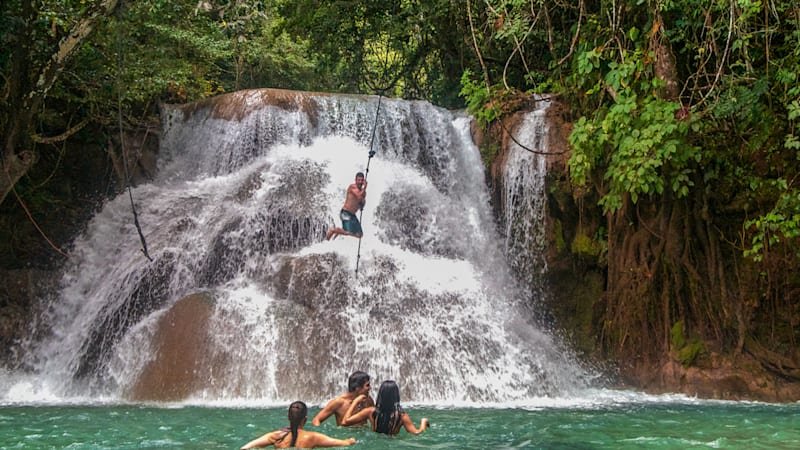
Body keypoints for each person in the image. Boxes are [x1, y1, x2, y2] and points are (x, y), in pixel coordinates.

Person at [240, 401, 356, 449]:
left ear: (288, 417)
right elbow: (343, 443)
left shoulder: (275, 436)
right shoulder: (312, 438)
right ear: (305, 420)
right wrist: (351, 440)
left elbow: (244, 448)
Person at [341, 380, 429, 435]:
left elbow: (345, 422)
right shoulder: (401, 416)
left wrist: (355, 402)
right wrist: (423, 423)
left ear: (380, 394)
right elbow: (416, 433)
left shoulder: (371, 412)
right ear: (396, 396)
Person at [325, 172, 367, 240]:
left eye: (362, 180)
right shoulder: (352, 187)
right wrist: (365, 187)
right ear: (355, 180)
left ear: (364, 181)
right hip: (345, 213)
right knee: (348, 231)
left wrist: (362, 205)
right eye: (358, 180)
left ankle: (339, 231)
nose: (360, 182)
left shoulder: (363, 192)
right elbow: (359, 196)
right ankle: (333, 230)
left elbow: (361, 202)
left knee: (359, 235)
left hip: (352, 215)